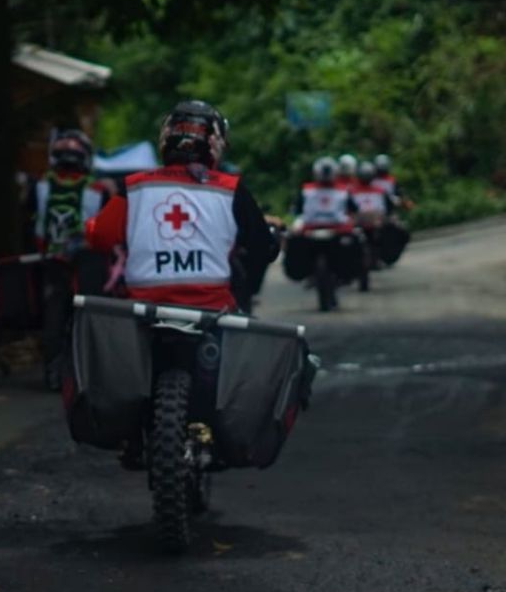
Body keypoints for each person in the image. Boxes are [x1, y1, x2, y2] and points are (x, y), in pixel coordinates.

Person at [85, 100, 278, 311]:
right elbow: (264, 248)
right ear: (216, 143)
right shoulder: (231, 189)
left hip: (145, 312)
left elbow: (99, 237)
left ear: (166, 138)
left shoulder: (133, 187)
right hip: (212, 312)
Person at [33, 129, 108, 389]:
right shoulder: (97, 188)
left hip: (53, 260)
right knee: (87, 313)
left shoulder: (42, 185)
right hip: (88, 261)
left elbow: (37, 229)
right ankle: (85, 370)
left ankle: (54, 370)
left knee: (53, 314)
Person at [294, 157, 358, 231]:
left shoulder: (307, 190)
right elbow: (354, 210)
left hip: (336, 228)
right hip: (317, 228)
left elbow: (297, 210)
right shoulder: (343, 191)